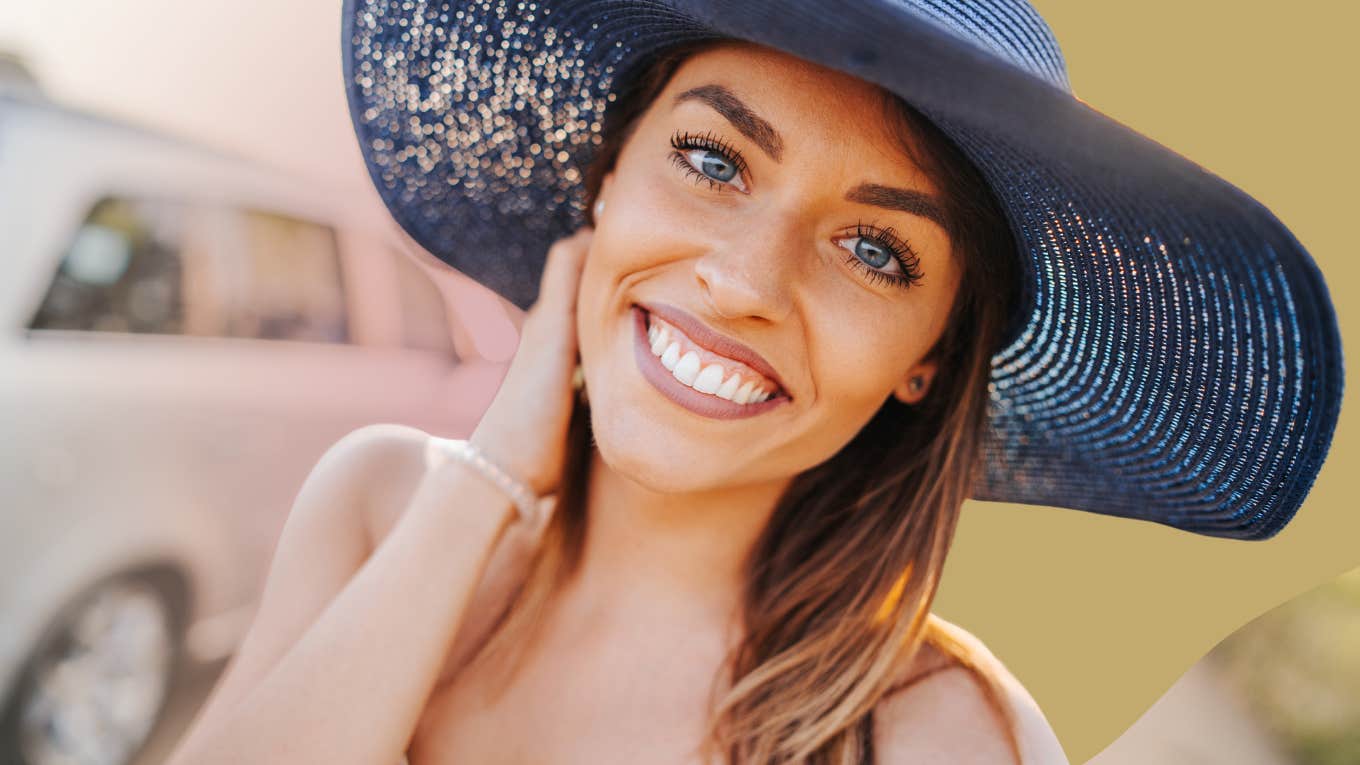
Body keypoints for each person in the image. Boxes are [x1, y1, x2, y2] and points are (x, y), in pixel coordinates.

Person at [166, 0, 1343, 763]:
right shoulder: (380, 506)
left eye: (875, 252)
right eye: (710, 160)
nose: (741, 282)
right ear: (605, 180)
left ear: (926, 357)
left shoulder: (933, 737)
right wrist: (486, 477)